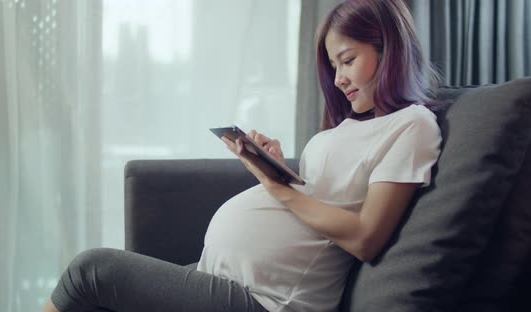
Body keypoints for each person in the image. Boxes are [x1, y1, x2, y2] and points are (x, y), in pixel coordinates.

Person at [43, 0, 442, 311]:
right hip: (226, 277)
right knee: (94, 305)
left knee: (90, 271)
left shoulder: (412, 126)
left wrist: (280, 190)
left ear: (387, 47)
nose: (338, 80)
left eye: (348, 60)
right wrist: (279, 168)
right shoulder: (355, 125)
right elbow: (325, 195)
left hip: (271, 301)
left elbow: (365, 237)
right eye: (334, 66)